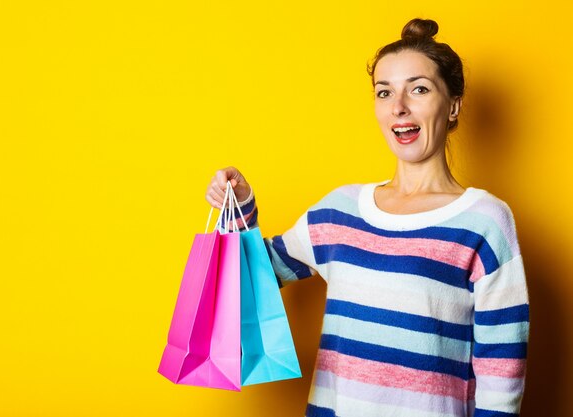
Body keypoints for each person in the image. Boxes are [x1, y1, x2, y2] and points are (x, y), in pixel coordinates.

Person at [205, 18, 529, 417]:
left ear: (454, 105)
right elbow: (252, 281)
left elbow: (502, 368)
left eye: (420, 89)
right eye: (384, 92)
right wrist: (239, 207)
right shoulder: (340, 210)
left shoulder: (485, 221)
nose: (398, 107)